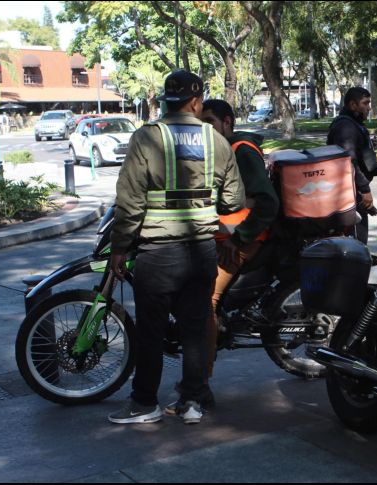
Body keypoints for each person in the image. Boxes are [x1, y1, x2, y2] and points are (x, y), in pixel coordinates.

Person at [108, 70, 245, 425]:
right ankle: (193, 401)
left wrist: (119, 248)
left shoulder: (147, 138)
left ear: (166, 101)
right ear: (197, 102)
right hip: (201, 251)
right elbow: (233, 200)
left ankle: (144, 403)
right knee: (196, 328)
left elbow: (130, 202)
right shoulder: (215, 141)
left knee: (151, 331)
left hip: (156, 254)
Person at [168, 99, 278, 407]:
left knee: (205, 300)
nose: (204, 129)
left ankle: (199, 385)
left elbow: (267, 204)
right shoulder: (214, 151)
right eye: (200, 123)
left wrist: (240, 238)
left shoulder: (241, 150)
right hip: (221, 238)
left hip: (243, 241)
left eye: (210, 123)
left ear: (227, 123)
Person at [326, 87, 377, 244]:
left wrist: (368, 145)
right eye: (365, 103)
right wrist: (365, 189)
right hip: (350, 194)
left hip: (354, 191)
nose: (369, 107)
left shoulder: (353, 124)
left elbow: (356, 152)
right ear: (353, 105)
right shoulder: (346, 126)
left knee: (359, 239)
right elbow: (348, 161)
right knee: (356, 242)